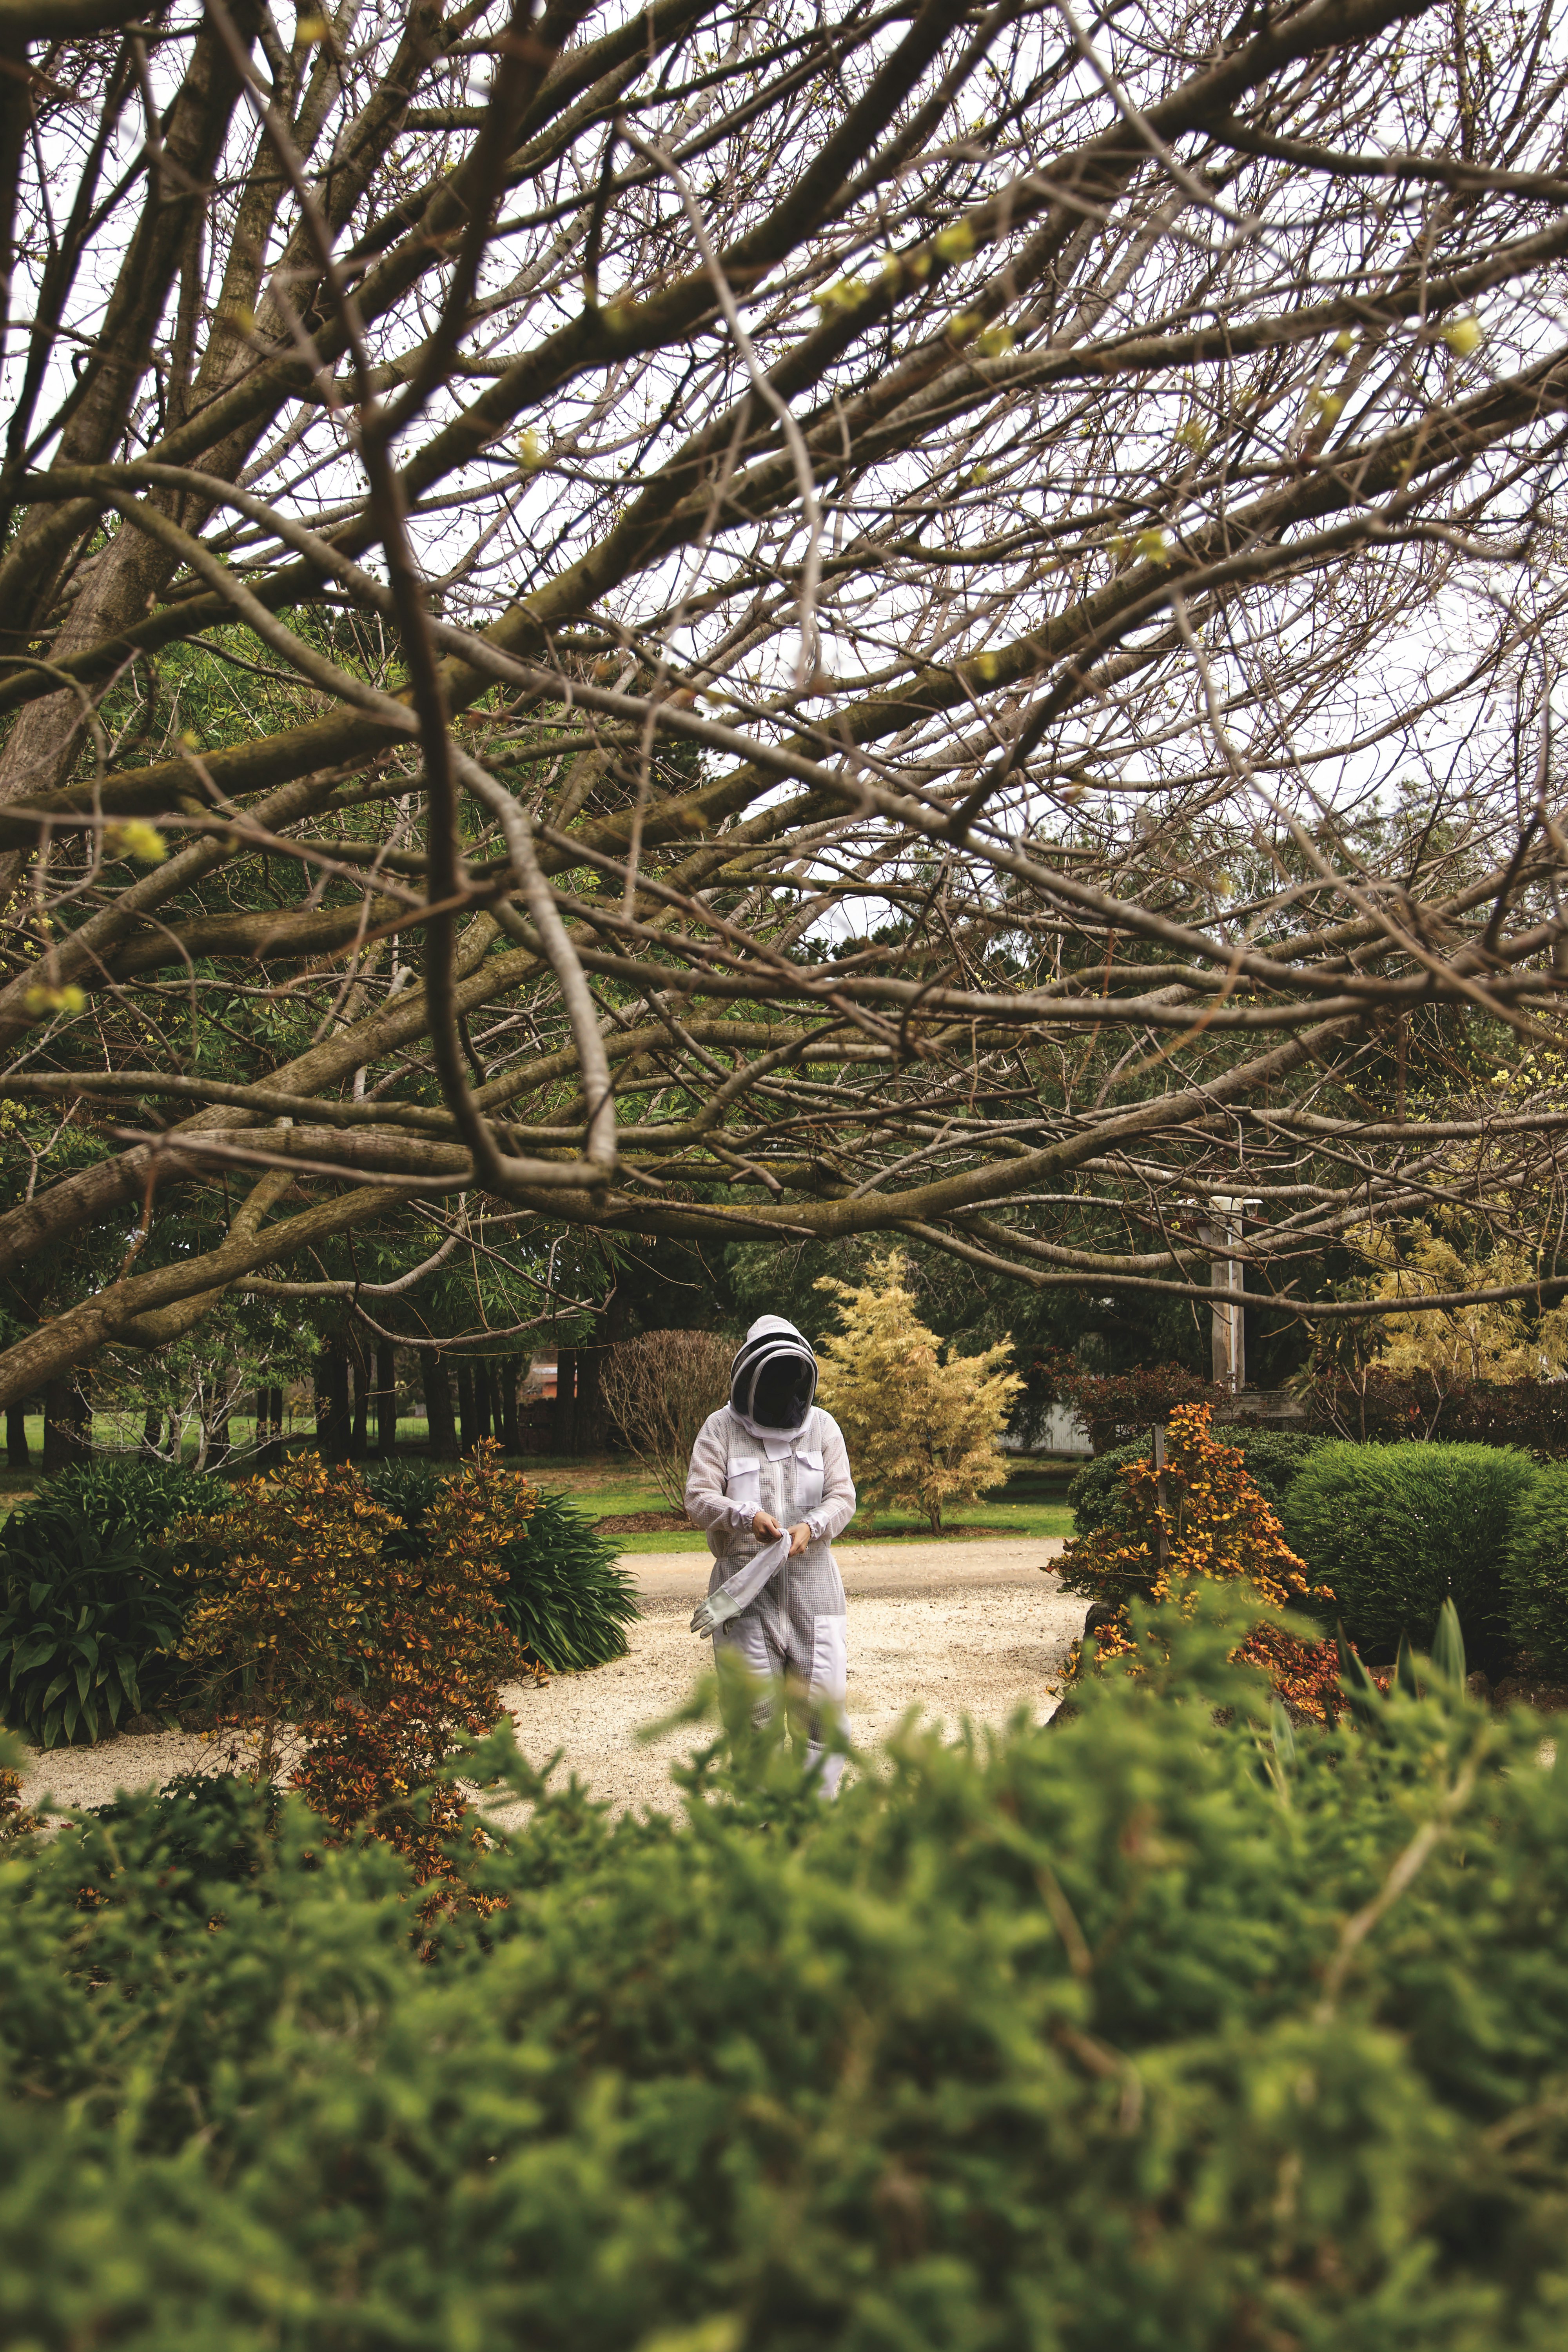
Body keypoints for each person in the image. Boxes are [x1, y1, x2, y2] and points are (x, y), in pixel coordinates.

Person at [684, 1314, 857, 1794]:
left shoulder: (823, 1428)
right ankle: (762, 1823)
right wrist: (744, 1515)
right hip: (744, 1593)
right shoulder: (719, 1429)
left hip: (815, 1590)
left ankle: (816, 1816)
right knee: (753, 1711)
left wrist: (811, 1526)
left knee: (820, 1707)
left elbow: (843, 1498)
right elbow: (697, 1497)